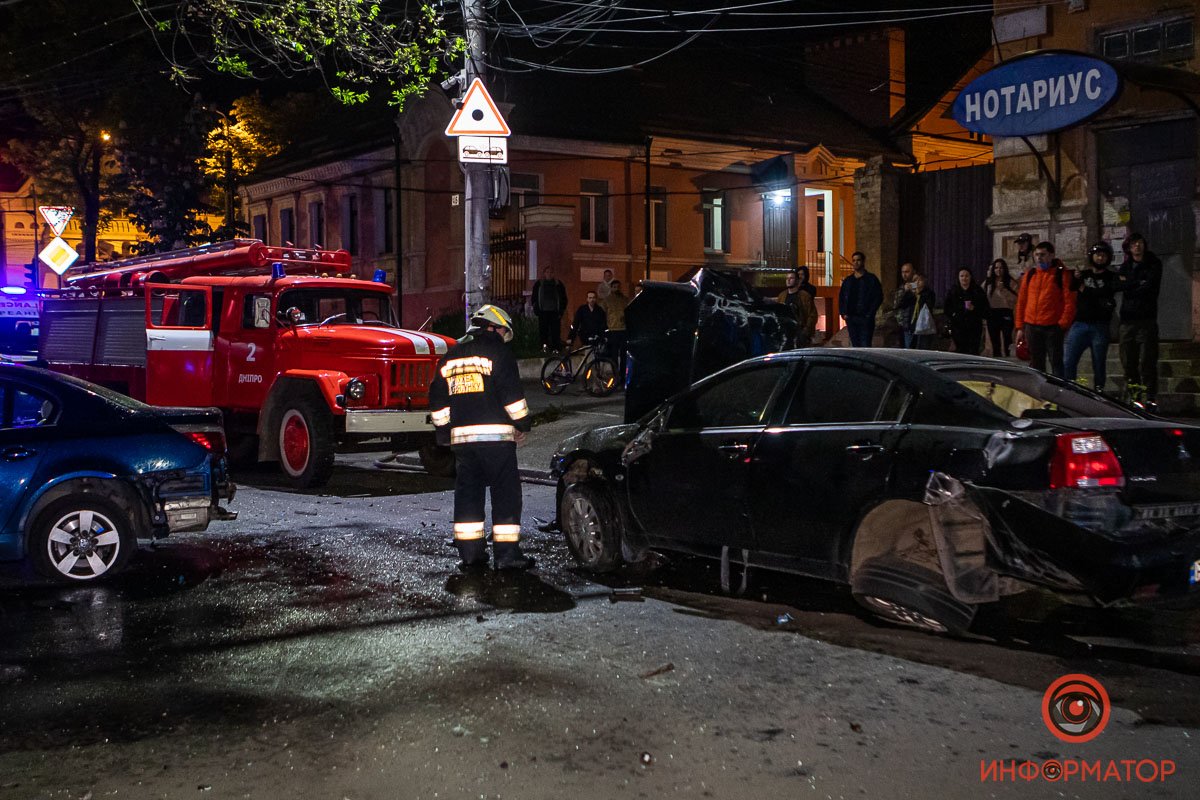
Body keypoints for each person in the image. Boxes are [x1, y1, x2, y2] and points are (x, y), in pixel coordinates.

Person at [429, 305, 534, 571]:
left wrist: (444, 433)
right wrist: (522, 423)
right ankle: (507, 555)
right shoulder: (499, 352)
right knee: (506, 493)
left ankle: (471, 553)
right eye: (503, 331)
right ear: (494, 327)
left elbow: (438, 401)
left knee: (468, 494)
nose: (503, 336)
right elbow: (512, 397)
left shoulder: (451, 356)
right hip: (496, 440)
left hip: (463, 442)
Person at [1014, 241, 1076, 377]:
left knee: (1056, 363)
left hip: (1052, 327)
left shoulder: (1062, 275)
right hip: (1032, 326)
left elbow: (1069, 302)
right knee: (1036, 364)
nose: (1039, 258)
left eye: (1042, 255)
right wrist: (1020, 327)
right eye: (1036, 255)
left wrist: (1062, 325)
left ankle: (1059, 392)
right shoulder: (1030, 275)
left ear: (1051, 255)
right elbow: (1022, 301)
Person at [1064, 241, 1119, 391]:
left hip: (1100, 325)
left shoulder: (1111, 276)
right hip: (1080, 323)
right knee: (1068, 360)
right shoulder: (1085, 274)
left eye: (1103, 255)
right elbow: (1072, 287)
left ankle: (1099, 391)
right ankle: (1070, 390)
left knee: (1099, 363)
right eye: (1097, 255)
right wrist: (1076, 278)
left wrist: (1086, 291)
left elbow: (1105, 296)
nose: (1100, 258)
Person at [1117, 232, 1163, 404]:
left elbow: (1149, 286)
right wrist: (1136, 283)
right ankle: (1135, 397)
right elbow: (1119, 285)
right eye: (1134, 243)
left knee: (1147, 362)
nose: (1137, 246)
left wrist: (1131, 284)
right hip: (1127, 320)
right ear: (1129, 247)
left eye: (1140, 243)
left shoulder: (1153, 264)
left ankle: (1151, 398)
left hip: (1146, 320)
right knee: (1129, 362)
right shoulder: (1126, 266)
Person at [838, 251, 883, 347]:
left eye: (858, 260)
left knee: (865, 344)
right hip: (851, 317)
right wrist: (843, 313)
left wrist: (870, 314)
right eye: (853, 260)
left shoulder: (871, 279)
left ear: (863, 261)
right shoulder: (848, 280)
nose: (856, 262)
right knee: (855, 344)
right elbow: (842, 296)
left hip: (865, 317)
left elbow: (878, 297)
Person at [944, 268, 990, 355]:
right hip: (958, 326)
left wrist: (974, 309)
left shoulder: (977, 291)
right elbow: (947, 308)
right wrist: (954, 314)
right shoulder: (953, 291)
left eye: (966, 276)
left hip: (974, 326)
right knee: (960, 350)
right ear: (958, 277)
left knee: (973, 350)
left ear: (970, 277)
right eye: (962, 276)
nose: (964, 278)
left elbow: (985, 309)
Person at [984, 259, 1017, 357]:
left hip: (1006, 313)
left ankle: (1008, 360)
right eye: (996, 268)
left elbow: (1017, 299)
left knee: (1007, 340)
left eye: (1001, 268)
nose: (998, 270)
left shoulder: (1010, 282)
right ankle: (997, 360)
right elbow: (982, 296)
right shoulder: (988, 283)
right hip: (992, 313)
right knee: (995, 342)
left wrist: (1004, 291)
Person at [776, 268, 817, 347]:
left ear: (797, 281)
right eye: (787, 278)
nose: (788, 280)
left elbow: (812, 315)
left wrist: (806, 331)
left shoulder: (805, 296)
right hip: (785, 332)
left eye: (791, 278)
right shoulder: (782, 296)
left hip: (800, 332)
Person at [531, 265, 568, 352]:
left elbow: (563, 298)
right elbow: (534, 298)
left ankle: (555, 348)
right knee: (543, 331)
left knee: (555, 331)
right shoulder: (539, 284)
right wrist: (536, 309)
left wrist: (561, 311)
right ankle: (544, 347)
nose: (549, 274)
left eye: (551, 272)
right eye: (547, 272)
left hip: (555, 312)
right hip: (543, 312)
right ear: (544, 273)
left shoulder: (558, 284)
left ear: (553, 274)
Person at [901, 273, 937, 350]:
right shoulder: (910, 293)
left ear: (924, 281)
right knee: (910, 349)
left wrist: (918, 294)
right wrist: (907, 292)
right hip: (911, 326)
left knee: (923, 349)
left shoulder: (929, 293)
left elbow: (929, 305)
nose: (917, 282)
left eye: (920, 280)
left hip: (923, 327)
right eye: (914, 280)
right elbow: (902, 305)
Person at [600, 278, 629, 373]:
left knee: (624, 355)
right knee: (614, 355)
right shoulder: (606, 300)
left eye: (618, 287)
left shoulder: (625, 300)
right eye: (614, 287)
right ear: (611, 288)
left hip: (623, 329)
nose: (617, 289)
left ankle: (622, 375)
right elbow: (602, 314)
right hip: (612, 330)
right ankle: (615, 375)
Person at [893, 262, 918, 348]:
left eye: (907, 272)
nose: (904, 274)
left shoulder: (920, 286)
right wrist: (904, 291)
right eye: (902, 272)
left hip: (915, 323)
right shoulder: (901, 288)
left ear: (913, 272)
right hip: (903, 324)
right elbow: (896, 304)